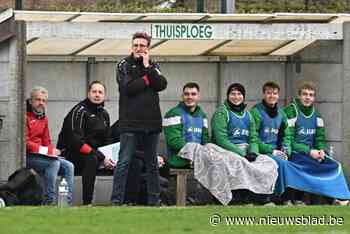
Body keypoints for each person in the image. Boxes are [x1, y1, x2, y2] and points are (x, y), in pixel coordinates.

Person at [111, 32, 167, 206]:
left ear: (148, 48)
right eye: (135, 45)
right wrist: (146, 79)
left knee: (152, 164)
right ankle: (116, 201)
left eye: (142, 45)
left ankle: (154, 202)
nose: (138, 48)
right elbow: (128, 88)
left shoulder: (153, 65)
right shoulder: (123, 64)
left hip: (151, 124)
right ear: (131, 46)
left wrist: (148, 68)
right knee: (124, 163)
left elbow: (161, 84)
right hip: (130, 124)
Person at [210, 83, 278, 205]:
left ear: (243, 96)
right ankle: (237, 197)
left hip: (246, 150)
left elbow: (253, 138)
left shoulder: (248, 115)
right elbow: (221, 140)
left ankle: (262, 196)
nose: (236, 97)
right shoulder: (221, 113)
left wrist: (253, 152)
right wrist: (242, 154)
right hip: (225, 150)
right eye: (233, 94)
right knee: (239, 162)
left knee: (269, 163)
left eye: (239, 94)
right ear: (228, 96)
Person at [284, 81, 350, 205]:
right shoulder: (291, 112)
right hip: (295, 153)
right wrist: (309, 151)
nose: (307, 97)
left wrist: (321, 150)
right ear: (299, 96)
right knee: (312, 166)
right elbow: (288, 140)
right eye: (305, 94)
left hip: (313, 154)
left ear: (314, 98)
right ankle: (320, 199)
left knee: (334, 165)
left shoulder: (317, 115)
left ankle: (341, 197)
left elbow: (320, 138)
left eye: (311, 95)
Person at [57, 81, 115, 205]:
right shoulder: (79, 111)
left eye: (100, 92)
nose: (97, 95)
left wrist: (110, 157)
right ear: (88, 93)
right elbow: (76, 142)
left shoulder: (104, 114)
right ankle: (87, 202)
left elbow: (107, 139)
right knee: (92, 158)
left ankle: (122, 201)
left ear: (104, 96)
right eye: (94, 91)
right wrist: (101, 157)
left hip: (96, 153)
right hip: (73, 154)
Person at [26, 86, 74, 205]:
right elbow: (25, 143)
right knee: (54, 163)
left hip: (42, 155)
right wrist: (46, 151)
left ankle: (66, 203)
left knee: (69, 166)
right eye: (38, 100)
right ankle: (49, 201)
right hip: (28, 156)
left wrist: (51, 151)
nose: (41, 103)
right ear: (31, 101)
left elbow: (46, 140)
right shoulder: (24, 116)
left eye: (44, 100)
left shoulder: (44, 118)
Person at [250, 81, 293, 205]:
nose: (272, 96)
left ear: (278, 96)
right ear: (264, 94)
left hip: (277, 151)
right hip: (262, 151)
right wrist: (271, 150)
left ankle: (285, 197)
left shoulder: (282, 113)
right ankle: (275, 198)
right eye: (269, 93)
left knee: (288, 162)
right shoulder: (256, 112)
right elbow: (253, 138)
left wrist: (286, 149)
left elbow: (287, 135)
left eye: (275, 93)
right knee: (279, 163)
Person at [163, 82, 209, 168]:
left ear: (198, 96)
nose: (190, 97)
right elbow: (173, 141)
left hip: (198, 158)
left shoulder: (202, 115)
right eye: (186, 94)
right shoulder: (173, 114)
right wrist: (196, 151)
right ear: (182, 96)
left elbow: (205, 139)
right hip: (178, 160)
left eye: (193, 94)